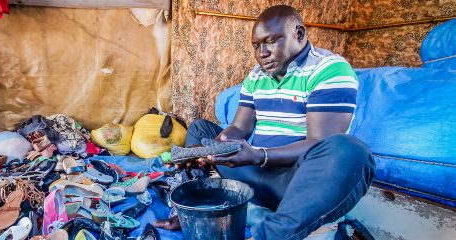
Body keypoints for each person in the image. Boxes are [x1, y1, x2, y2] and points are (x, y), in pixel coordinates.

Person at [154, 5, 375, 240]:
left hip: (294, 184)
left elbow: (319, 141)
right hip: (256, 173)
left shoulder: (329, 69)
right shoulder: (257, 75)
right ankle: (197, 208)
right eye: (257, 46)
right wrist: (209, 151)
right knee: (200, 129)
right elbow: (239, 128)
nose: (262, 53)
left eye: (271, 41)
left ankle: (270, 231)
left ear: (299, 34)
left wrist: (259, 155)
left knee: (350, 151)